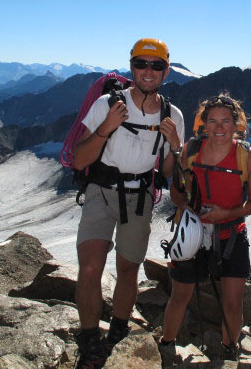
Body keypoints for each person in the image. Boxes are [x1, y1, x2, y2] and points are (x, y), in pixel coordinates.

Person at [72, 38, 185, 369]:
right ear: (131, 66)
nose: (148, 72)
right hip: (100, 191)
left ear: (165, 70)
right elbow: (80, 160)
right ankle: (90, 338)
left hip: (139, 198)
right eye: (141, 64)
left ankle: (118, 331)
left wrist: (175, 146)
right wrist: (107, 127)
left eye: (156, 66)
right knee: (90, 266)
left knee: (128, 269)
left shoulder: (171, 115)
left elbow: (165, 170)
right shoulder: (107, 104)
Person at [160, 94, 251, 361]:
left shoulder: (250, 158)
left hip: (231, 235)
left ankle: (230, 350)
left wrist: (225, 214)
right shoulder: (190, 151)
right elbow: (176, 192)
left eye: (226, 121)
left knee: (232, 302)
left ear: (237, 124)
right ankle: (166, 345)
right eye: (213, 121)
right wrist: (187, 205)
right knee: (180, 296)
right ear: (203, 124)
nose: (219, 128)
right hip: (193, 233)